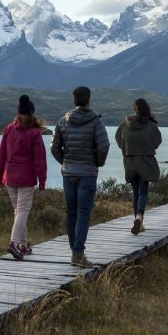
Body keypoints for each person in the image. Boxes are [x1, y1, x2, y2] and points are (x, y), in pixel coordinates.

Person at [50, 86, 109, 267]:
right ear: (88, 100)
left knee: (71, 212)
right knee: (83, 212)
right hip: (87, 174)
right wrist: (98, 162)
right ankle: (78, 253)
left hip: (68, 173)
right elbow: (104, 146)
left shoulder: (62, 121)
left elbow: (54, 147)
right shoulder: (96, 122)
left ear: (74, 100)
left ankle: (75, 252)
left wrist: (64, 162)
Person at [0, 95, 47, 260]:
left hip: (9, 177)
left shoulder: (8, 129)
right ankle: (13, 243)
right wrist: (42, 182)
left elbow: (1, 154)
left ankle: (24, 245)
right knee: (23, 211)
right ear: (32, 113)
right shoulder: (34, 133)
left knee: (19, 211)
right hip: (26, 178)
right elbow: (40, 160)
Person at [115, 98, 162, 234]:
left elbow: (118, 139)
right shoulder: (151, 125)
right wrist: (146, 147)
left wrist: (127, 149)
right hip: (145, 161)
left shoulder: (125, 124)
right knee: (143, 192)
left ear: (135, 109)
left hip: (129, 162)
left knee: (135, 192)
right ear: (146, 109)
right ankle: (139, 217)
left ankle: (138, 221)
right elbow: (157, 141)